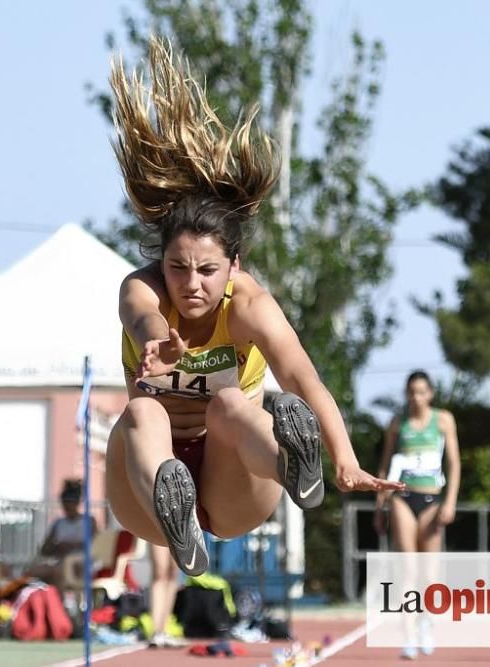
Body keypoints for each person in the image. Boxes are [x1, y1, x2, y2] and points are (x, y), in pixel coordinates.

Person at [104, 37, 404, 577]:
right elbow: (141, 315)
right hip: (146, 494)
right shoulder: (140, 290)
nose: (190, 284)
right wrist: (157, 338)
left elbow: (304, 381)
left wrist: (346, 459)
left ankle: (292, 463)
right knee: (141, 411)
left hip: (235, 479)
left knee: (235, 406)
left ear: (234, 267)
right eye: (177, 268)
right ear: (160, 263)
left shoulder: (249, 306)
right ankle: (177, 514)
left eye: (207, 271)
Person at [373, 370, 461, 660]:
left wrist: (450, 502)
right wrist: (379, 505)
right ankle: (408, 634)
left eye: (421, 391)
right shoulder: (398, 423)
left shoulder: (444, 420)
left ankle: (427, 623)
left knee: (429, 572)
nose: (416, 397)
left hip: (433, 499)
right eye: (411, 391)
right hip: (403, 499)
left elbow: (454, 464)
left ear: (430, 393)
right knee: (407, 570)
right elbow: (385, 465)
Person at [25, 479, 98, 588]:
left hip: (82, 563)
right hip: (60, 561)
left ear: (76, 503)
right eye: (64, 503)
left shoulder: (89, 521)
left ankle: (61, 602)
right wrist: (56, 547)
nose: (67, 507)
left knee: (59, 572)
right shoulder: (58, 524)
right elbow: (45, 550)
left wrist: (73, 545)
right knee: (32, 572)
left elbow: (96, 545)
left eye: (70, 503)